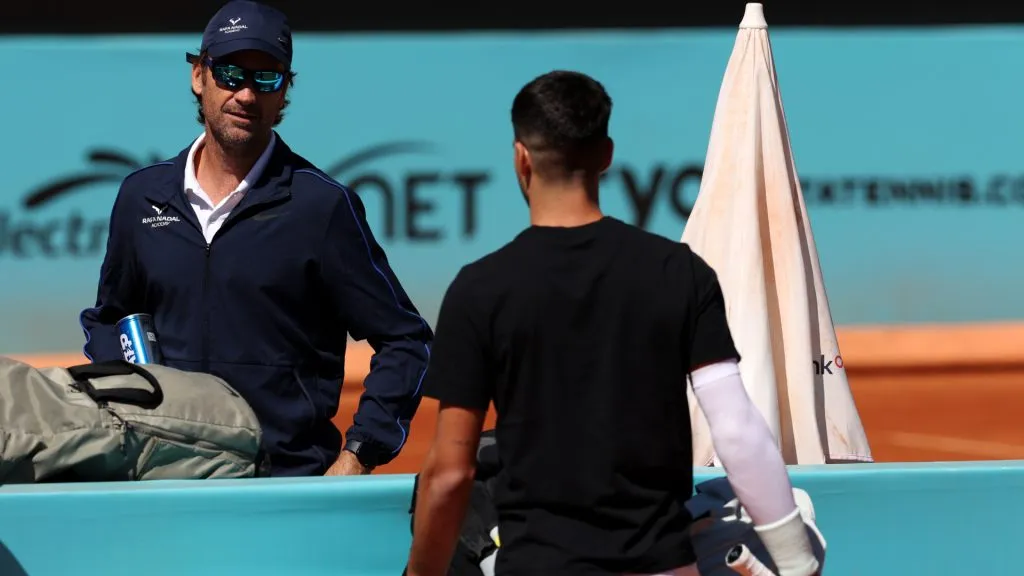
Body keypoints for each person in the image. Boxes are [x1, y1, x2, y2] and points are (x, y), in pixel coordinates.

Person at [406, 70, 821, 575]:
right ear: (606, 155)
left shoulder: (479, 289)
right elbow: (736, 431)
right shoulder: (679, 272)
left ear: (521, 158)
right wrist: (797, 564)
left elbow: (449, 474)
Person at [79, 0, 433, 478]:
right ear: (198, 76)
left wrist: (358, 454)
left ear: (284, 91)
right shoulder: (142, 197)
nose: (247, 94)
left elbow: (407, 340)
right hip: (163, 479)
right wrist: (135, 399)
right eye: (230, 73)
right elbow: (111, 319)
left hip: (283, 481)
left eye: (266, 78)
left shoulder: (321, 207)